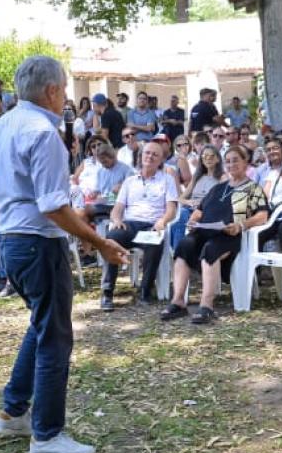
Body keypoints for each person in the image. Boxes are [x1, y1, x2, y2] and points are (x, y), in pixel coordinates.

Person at [0, 56, 129, 453]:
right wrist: (98, 241)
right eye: (65, 88)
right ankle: (47, 435)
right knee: (54, 336)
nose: (66, 96)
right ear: (52, 90)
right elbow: (53, 205)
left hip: (11, 239)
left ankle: (13, 411)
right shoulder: (42, 132)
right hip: (36, 241)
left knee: (42, 324)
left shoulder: (5, 123)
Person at [161, 146, 269, 324]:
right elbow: (200, 210)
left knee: (211, 249)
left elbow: (263, 215)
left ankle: (207, 305)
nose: (231, 164)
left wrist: (241, 225)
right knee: (184, 245)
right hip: (205, 230)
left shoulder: (253, 188)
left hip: (230, 235)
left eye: (236, 160)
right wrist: (194, 220)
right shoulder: (218, 188)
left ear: (245, 163)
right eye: (228, 161)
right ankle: (178, 301)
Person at [100, 139, 177, 310]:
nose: (150, 156)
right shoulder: (130, 181)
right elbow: (117, 209)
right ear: (141, 155)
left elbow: (171, 209)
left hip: (151, 225)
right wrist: (117, 220)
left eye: (155, 154)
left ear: (160, 160)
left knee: (155, 243)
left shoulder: (167, 180)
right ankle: (107, 293)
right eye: (147, 153)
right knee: (111, 239)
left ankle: (145, 292)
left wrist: (162, 221)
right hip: (129, 224)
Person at [172, 145, 224, 249]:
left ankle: (177, 253)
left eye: (211, 156)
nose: (208, 159)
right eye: (205, 156)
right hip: (190, 209)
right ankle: (176, 251)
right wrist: (189, 202)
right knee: (179, 216)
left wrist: (202, 203)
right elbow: (181, 198)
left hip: (206, 211)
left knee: (181, 216)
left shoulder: (222, 177)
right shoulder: (197, 177)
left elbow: (222, 199)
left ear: (218, 159)